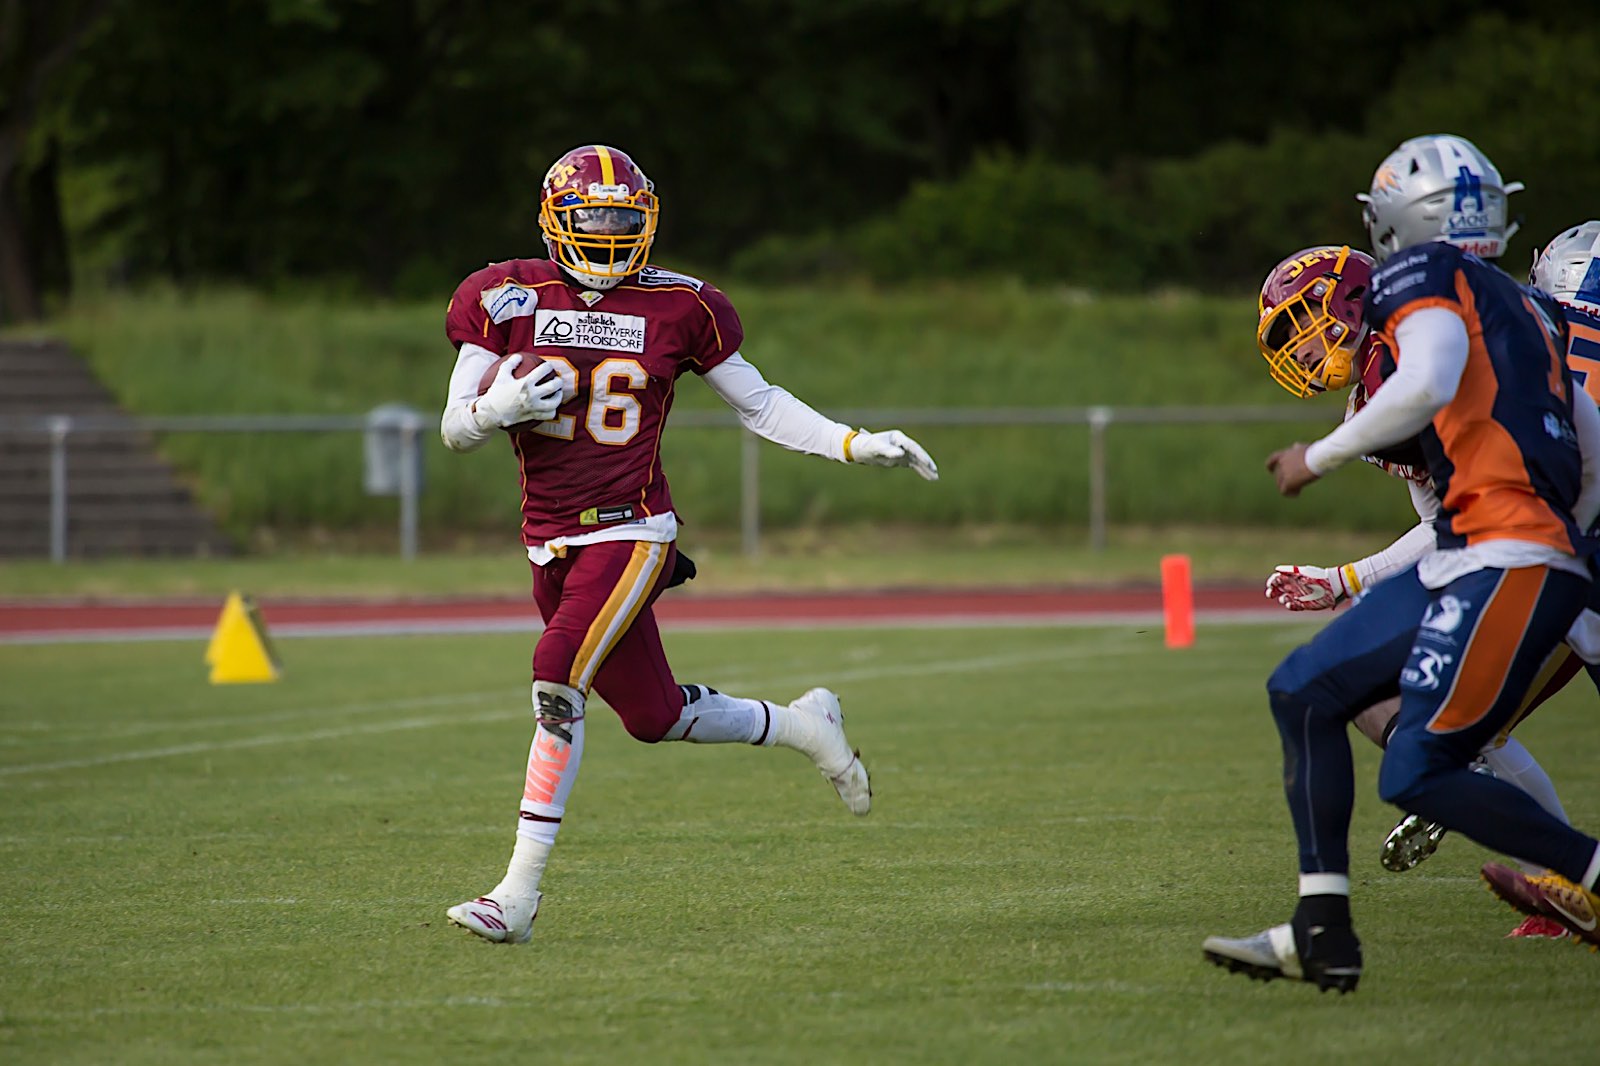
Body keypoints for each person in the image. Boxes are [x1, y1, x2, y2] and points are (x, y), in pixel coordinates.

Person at [437, 144, 939, 944]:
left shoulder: (683, 306)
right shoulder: (503, 295)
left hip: (632, 529)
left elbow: (762, 404)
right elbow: (455, 428)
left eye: (620, 222)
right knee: (653, 715)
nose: (605, 237)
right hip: (549, 541)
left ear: (647, 223)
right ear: (552, 220)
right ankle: (807, 725)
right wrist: (496, 410)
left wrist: (852, 442)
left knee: (555, 673)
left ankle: (517, 896)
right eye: (590, 221)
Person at [1202, 134, 1600, 992]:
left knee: (1414, 755)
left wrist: (1321, 456)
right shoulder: (1526, 307)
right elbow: (1583, 443)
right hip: (1514, 550)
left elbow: (1425, 385)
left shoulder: (1419, 285)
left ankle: (1578, 881)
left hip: (1520, 554)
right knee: (1319, 696)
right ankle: (1324, 930)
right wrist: (1350, 579)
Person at [1255, 244, 1583, 943]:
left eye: (1303, 322)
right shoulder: (1380, 383)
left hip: (1558, 541)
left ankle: (1569, 878)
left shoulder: (1430, 338)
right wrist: (1347, 579)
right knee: (1424, 727)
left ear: (1346, 298)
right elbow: (1444, 524)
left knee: (1421, 735)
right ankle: (1561, 887)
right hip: (1535, 546)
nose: (1302, 350)